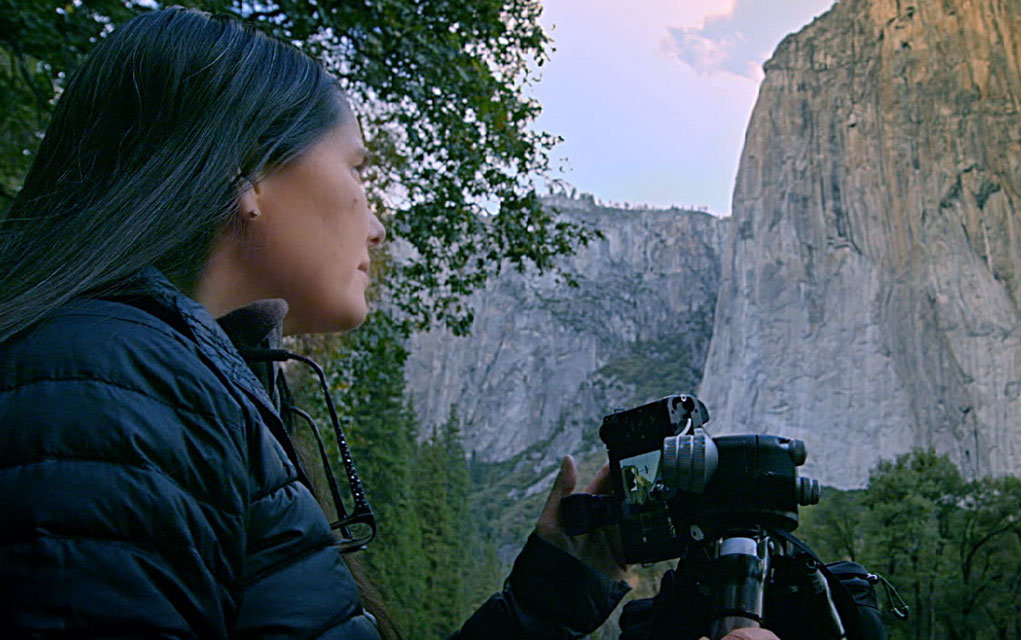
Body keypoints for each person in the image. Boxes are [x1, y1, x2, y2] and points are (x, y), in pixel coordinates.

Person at [0, 7, 781, 640]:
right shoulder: (106, 391)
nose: (376, 227)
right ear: (244, 172)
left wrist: (554, 589)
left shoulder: (154, 387)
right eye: (358, 173)